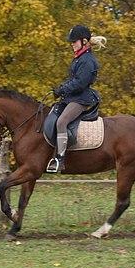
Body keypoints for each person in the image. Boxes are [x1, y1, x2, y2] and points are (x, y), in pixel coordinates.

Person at [46, 25, 106, 173]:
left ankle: (60, 159)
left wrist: (62, 90)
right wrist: (60, 88)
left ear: (84, 41)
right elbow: (73, 80)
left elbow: (80, 83)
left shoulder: (87, 60)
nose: (72, 44)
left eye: (74, 41)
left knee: (61, 122)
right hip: (72, 97)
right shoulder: (79, 58)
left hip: (81, 99)